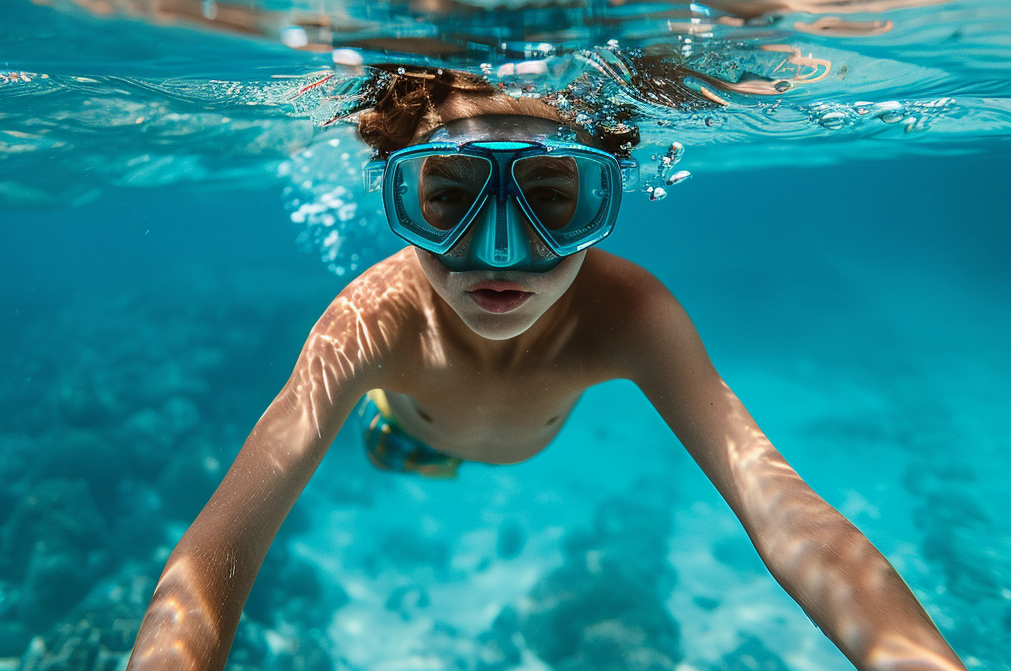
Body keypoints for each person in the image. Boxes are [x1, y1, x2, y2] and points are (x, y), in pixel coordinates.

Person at [127, 67, 968, 671]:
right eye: (448, 196)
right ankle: (408, 440)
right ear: (401, 204)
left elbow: (785, 512)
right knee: (397, 442)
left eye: (554, 196)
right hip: (406, 429)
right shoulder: (367, 322)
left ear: (607, 201)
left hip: (497, 433)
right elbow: (221, 545)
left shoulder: (632, 315)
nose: (500, 254)